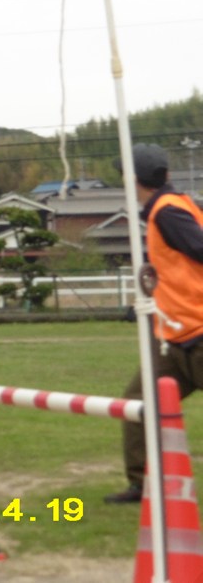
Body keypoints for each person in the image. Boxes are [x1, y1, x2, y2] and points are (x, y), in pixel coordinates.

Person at [106, 143, 203, 504]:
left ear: (132, 180)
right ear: (166, 174)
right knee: (137, 404)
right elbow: (180, 270)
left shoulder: (168, 211)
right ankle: (142, 484)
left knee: (139, 404)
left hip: (197, 332)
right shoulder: (172, 207)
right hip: (173, 337)